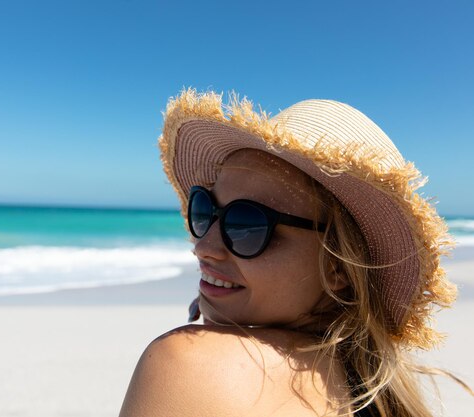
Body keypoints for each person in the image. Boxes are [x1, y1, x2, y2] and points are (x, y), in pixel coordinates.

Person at [119, 88, 470, 416]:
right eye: (205, 210)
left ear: (339, 268)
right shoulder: (363, 390)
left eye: (247, 225)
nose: (204, 246)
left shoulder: (187, 364)